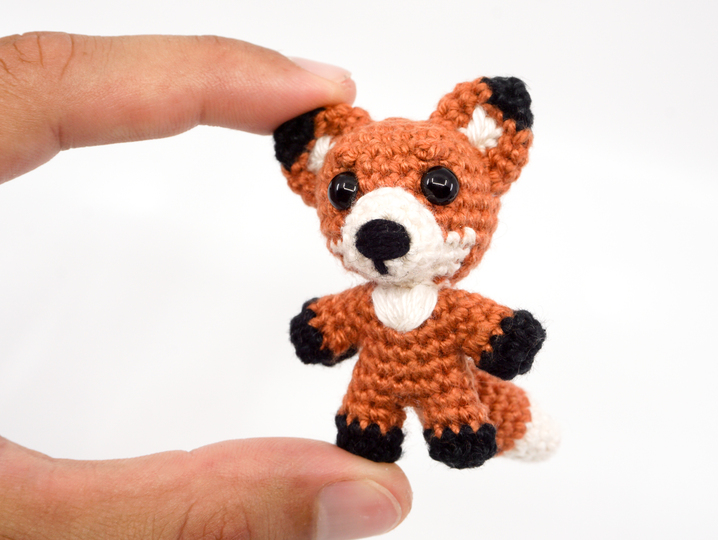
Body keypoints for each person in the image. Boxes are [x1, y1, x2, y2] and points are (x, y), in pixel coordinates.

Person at [0, 32, 412, 540]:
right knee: (370, 412)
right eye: (346, 190)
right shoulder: (365, 300)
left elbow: (483, 328)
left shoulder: (446, 305)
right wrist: (321, 331)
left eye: (438, 188)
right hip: (373, 387)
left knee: (456, 411)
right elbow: (333, 323)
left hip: (445, 380)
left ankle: (465, 425)